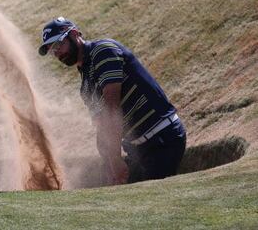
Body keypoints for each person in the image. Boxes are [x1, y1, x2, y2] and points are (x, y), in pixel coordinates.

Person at [38, 17, 187, 185]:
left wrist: (115, 158)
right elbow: (102, 126)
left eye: (58, 45)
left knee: (153, 202)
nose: (57, 53)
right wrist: (109, 163)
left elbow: (111, 107)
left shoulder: (103, 51)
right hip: (138, 148)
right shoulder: (85, 85)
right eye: (52, 51)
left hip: (162, 139)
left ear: (74, 34)